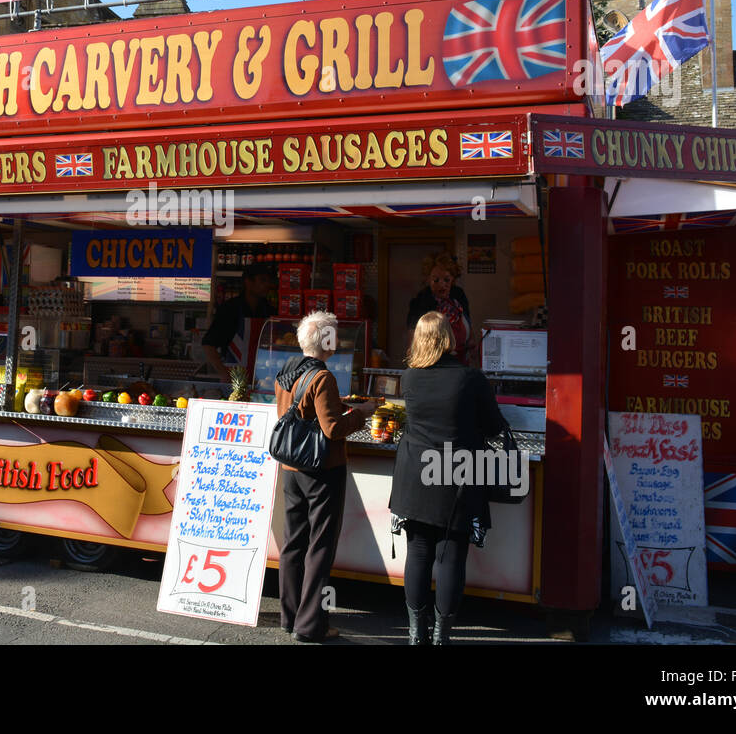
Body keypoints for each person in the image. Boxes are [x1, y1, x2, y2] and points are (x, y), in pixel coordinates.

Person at [389, 311, 507, 645]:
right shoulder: (470, 379)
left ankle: (416, 634)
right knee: (452, 555)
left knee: (419, 552)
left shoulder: (409, 377)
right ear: (448, 338)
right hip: (457, 477)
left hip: (415, 476)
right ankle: (441, 636)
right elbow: (495, 426)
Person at [274, 311, 374, 643]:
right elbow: (332, 428)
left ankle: (289, 618)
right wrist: (362, 414)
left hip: (291, 469)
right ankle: (311, 625)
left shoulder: (286, 372)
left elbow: (306, 410)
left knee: (293, 544)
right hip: (322, 471)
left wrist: (339, 405)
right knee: (319, 548)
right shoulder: (323, 378)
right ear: (327, 343)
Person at [202, 263, 275, 381]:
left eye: (268, 281)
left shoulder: (268, 309)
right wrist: (224, 373)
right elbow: (208, 344)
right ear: (248, 282)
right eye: (262, 280)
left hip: (262, 378)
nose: (267, 285)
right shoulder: (230, 309)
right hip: (234, 379)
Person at [406, 253, 474, 364]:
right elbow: (412, 339)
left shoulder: (458, 295)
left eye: (446, 280)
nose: (441, 285)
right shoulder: (420, 301)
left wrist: (472, 345)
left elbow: (470, 331)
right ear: (428, 279)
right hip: (432, 363)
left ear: (453, 278)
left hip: (460, 362)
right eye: (436, 280)